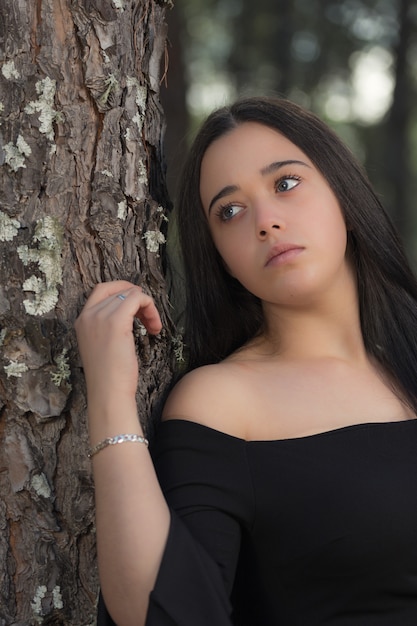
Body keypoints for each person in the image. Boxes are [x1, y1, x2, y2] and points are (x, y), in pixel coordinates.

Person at [75, 96, 417, 626]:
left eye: (285, 183)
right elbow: (161, 612)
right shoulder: (224, 401)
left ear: (343, 193)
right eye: (229, 211)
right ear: (222, 259)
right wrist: (110, 397)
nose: (265, 222)